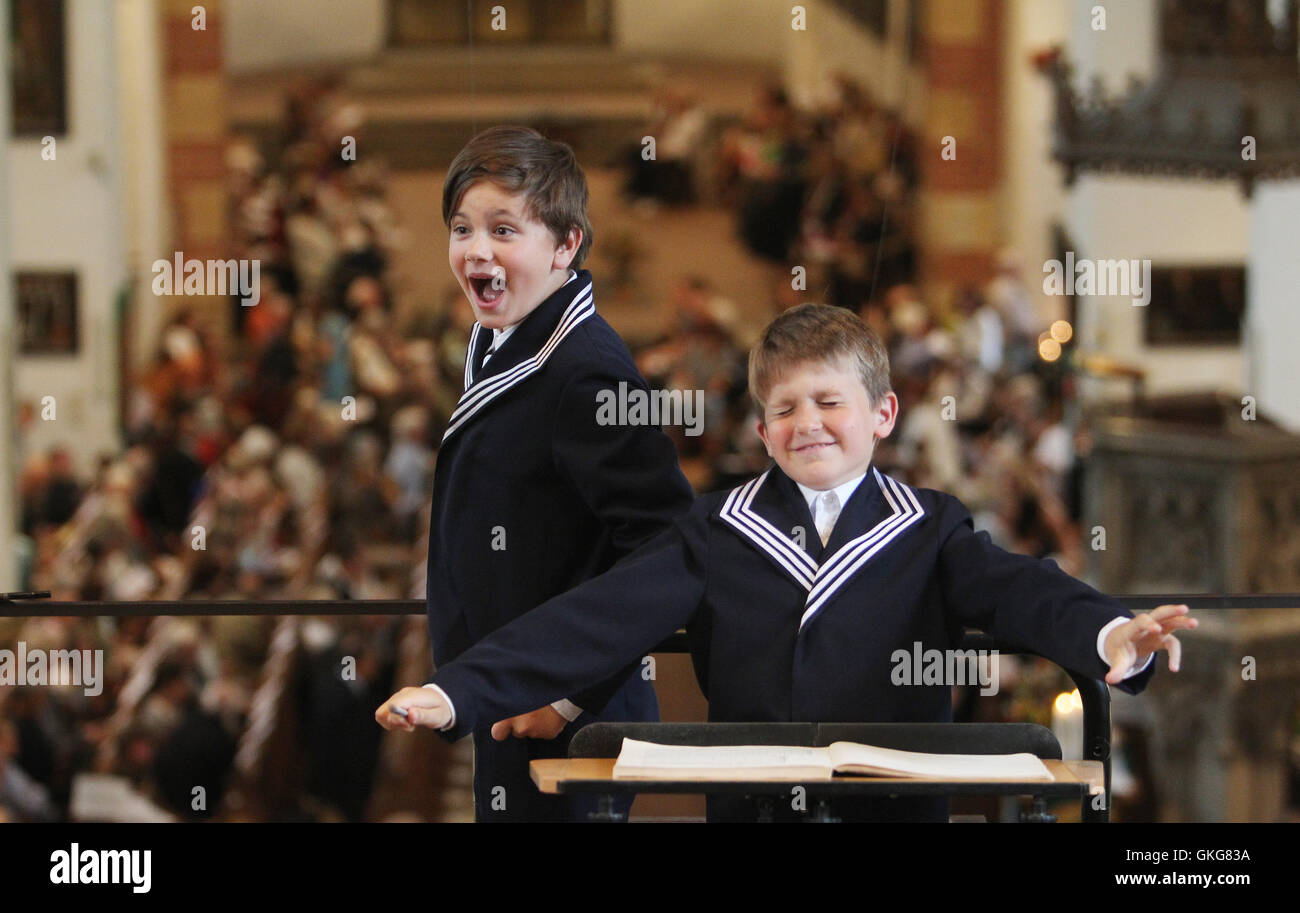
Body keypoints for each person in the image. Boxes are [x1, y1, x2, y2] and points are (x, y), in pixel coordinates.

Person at [378, 304, 1195, 821]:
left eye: (830, 401)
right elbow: (595, 617)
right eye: (785, 407)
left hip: (894, 813)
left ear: (882, 414)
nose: (809, 422)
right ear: (762, 432)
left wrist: (1110, 632)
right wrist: (458, 690)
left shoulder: (930, 527)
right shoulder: (715, 530)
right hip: (757, 808)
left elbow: (1020, 590)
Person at [385, 126, 694, 822]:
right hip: (507, 686)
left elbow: (669, 546)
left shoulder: (585, 371)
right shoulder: (504, 333)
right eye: (462, 228)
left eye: (503, 229)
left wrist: (566, 695)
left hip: (564, 714)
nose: (477, 250)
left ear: (566, 246)